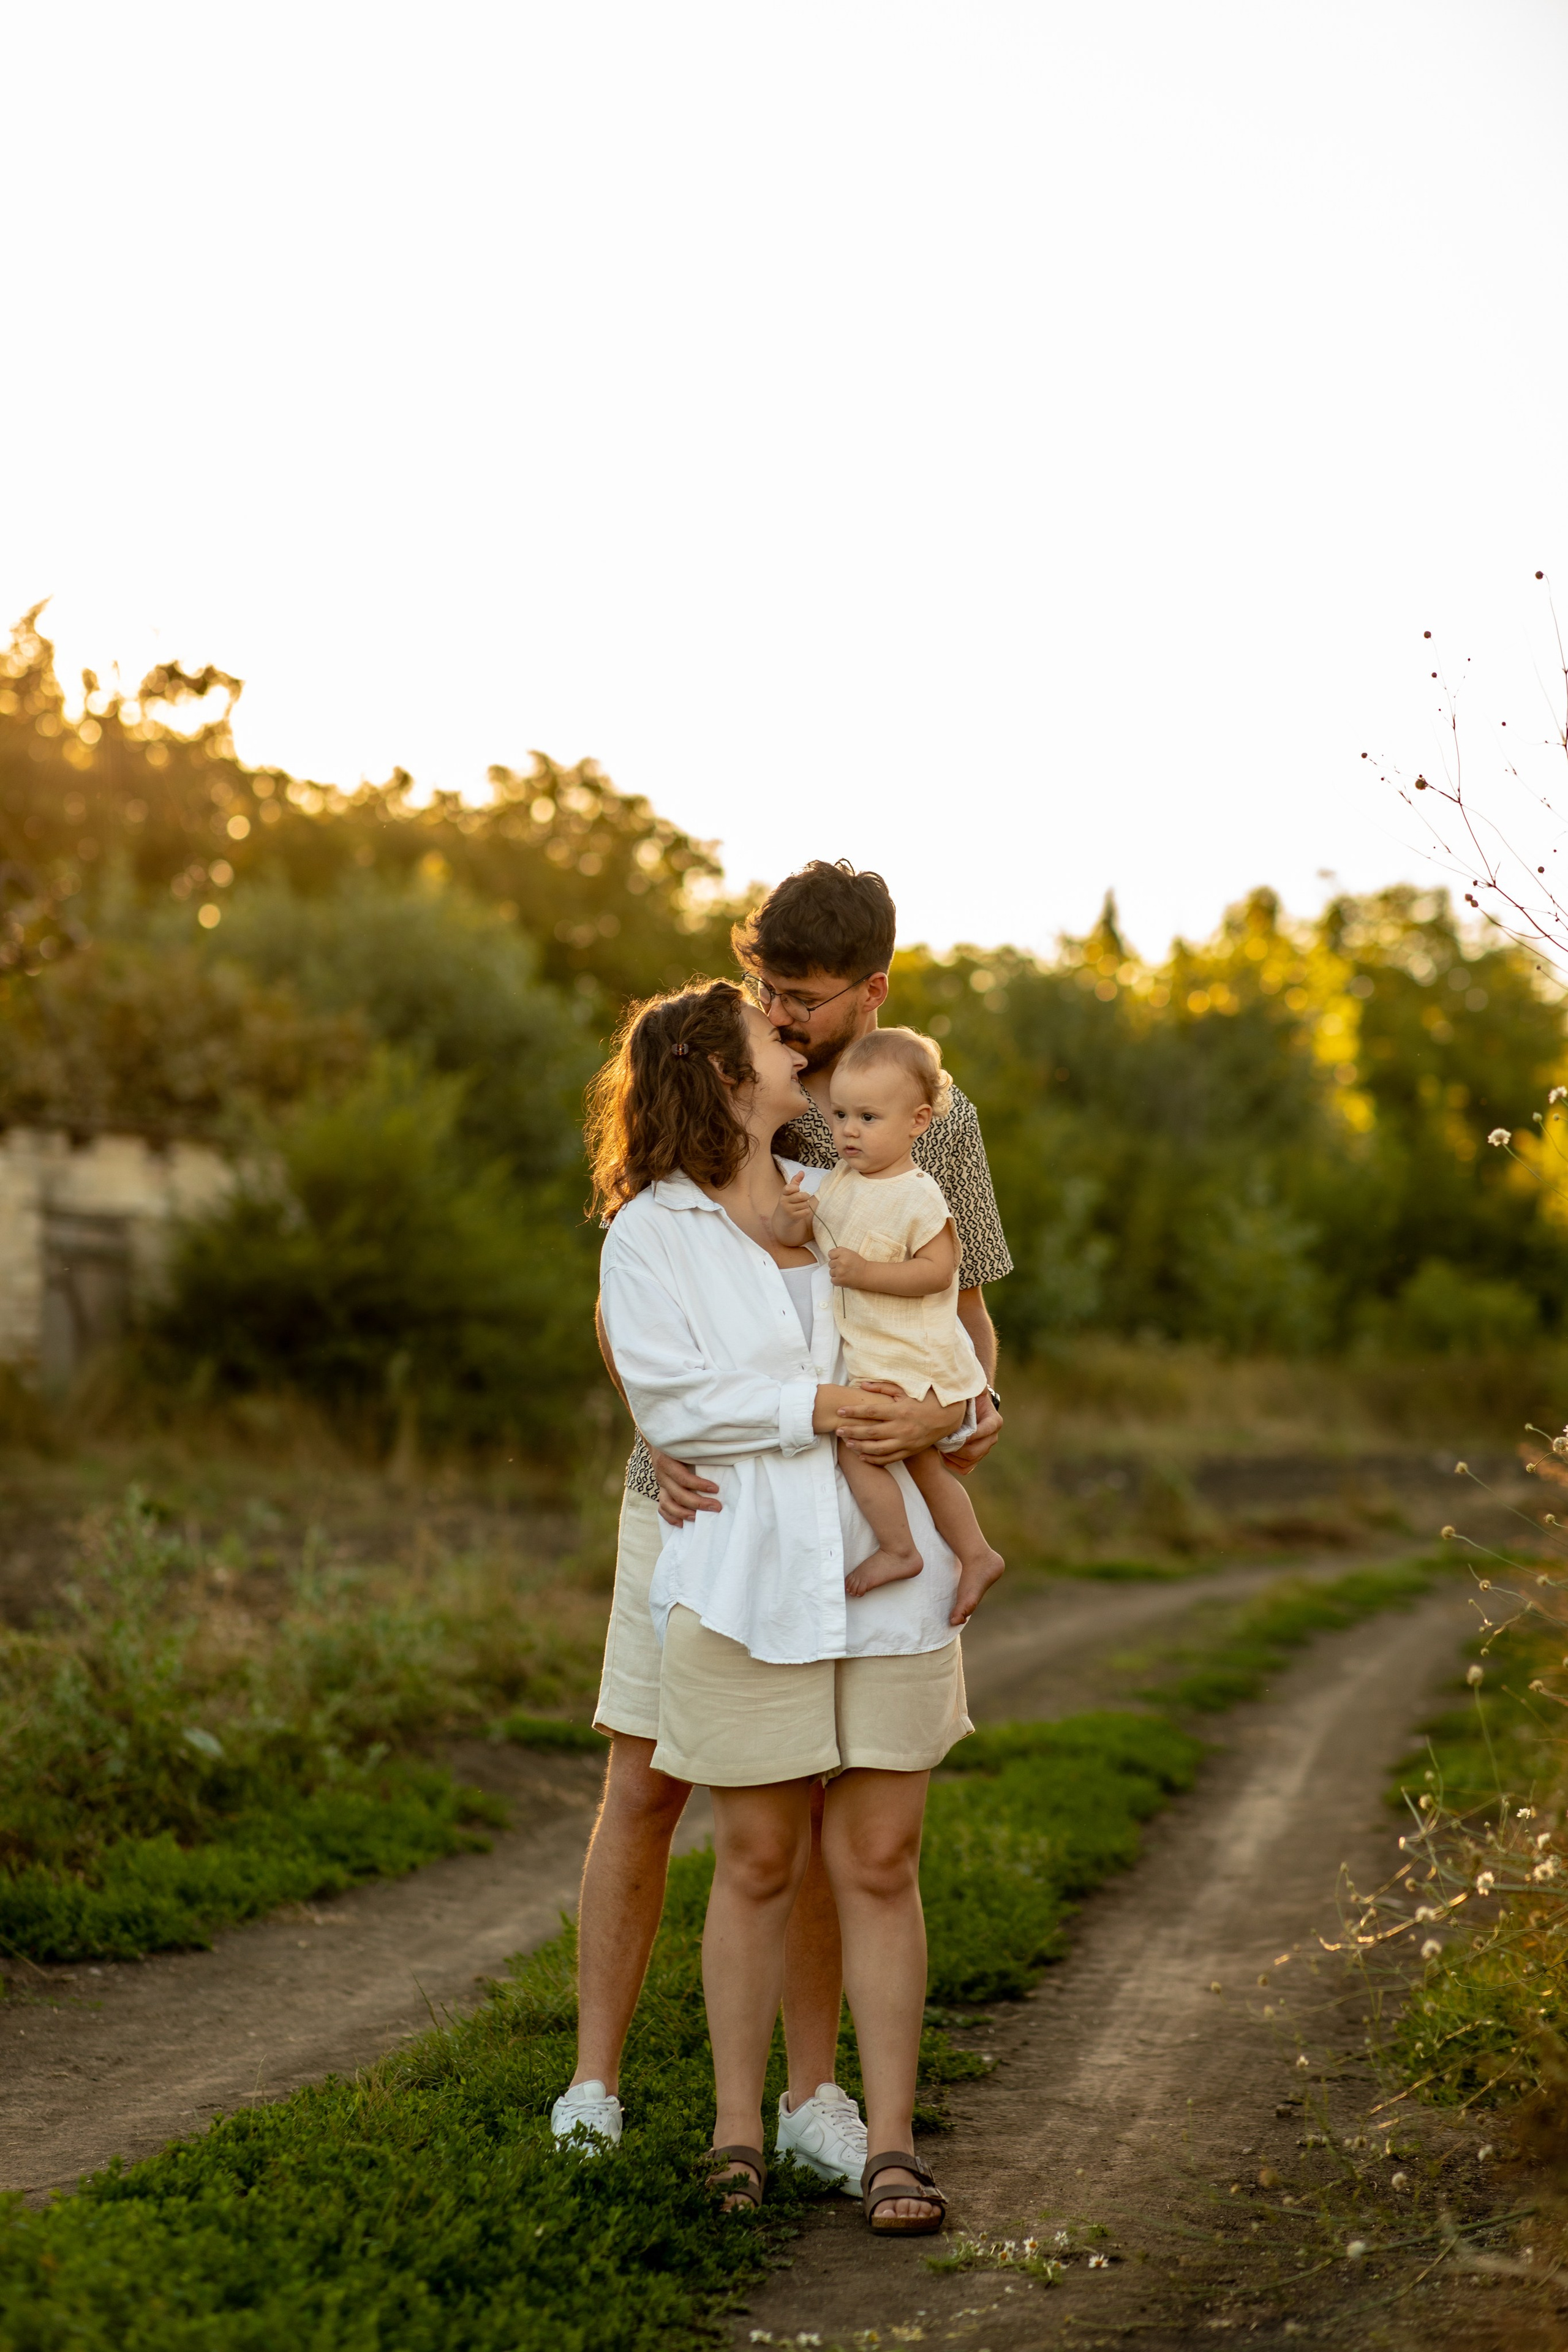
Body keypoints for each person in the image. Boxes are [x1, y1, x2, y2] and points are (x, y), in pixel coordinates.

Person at [552, 861, 1012, 2189]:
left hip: (840, 1486)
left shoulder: (919, 1111)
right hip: (697, 1499)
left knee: (815, 1805)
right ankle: (595, 2076)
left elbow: (957, 1310)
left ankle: (814, 2093)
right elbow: (634, 1300)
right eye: (765, 992)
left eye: (802, 999)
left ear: (871, 992)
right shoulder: (718, 1077)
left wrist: (955, 1416)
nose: (783, 1018)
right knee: (643, 1785)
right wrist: (663, 1433)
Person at [771, 1026, 1005, 1610]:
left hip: (916, 1358)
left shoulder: (918, 1194)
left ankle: (901, 1549)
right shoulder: (846, 1182)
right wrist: (791, 1218)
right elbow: (811, 1239)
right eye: (842, 1114)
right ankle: (976, 1553)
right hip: (880, 1353)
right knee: (923, 1466)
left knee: (859, 1443)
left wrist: (867, 1274)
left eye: (869, 1118)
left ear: (917, 1123)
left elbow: (939, 1272)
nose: (849, 1131)